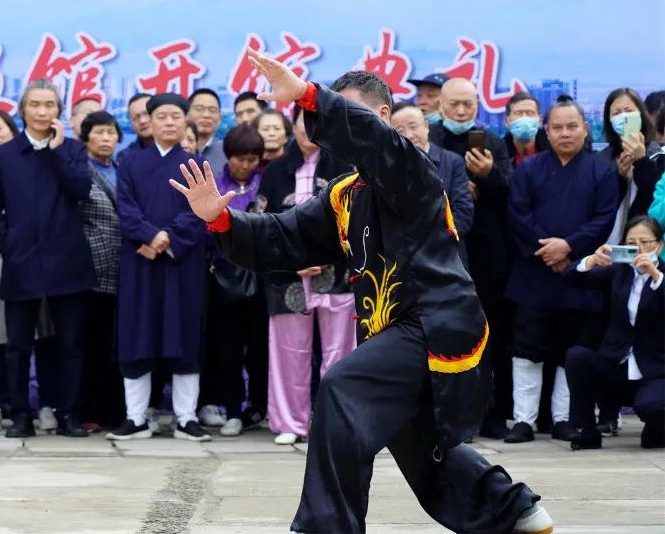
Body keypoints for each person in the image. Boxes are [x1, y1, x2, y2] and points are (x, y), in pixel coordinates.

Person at [173, 56, 549, 534]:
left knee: (341, 390)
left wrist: (308, 94)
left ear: (384, 118)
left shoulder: (413, 167)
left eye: (349, 116)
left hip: (433, 320)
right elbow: (285, 237)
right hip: (393, 332)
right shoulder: (342, 193)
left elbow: (373, 141)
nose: (338, 128)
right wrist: (221, 220)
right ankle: (514, 510)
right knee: (419, 446)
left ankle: (326, 528)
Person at [0, 79, 97, 439]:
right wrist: (9, 243)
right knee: (17, 345)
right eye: (36, 104)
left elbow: (81, 190)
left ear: (59, 111)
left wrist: (59, 150)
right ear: (23, 110)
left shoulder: (74, 150)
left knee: (70, 344)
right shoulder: (4, 155)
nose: (43, 111)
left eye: (50, 105)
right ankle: (19, 414)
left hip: (68, 259)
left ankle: (69, 414)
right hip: (22, 261)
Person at [505, 97, 618, 444]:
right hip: (534, 272)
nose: (565, 133)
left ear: (586, 129)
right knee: (527, 348)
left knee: (572, 350)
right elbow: (518, 215)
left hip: (580, 272)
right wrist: (549, 250)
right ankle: (523, 420)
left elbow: (604, 218)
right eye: (558, 127)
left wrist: (568, 247)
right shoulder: (528, 169)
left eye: (573, 126)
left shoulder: (602, 171)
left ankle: (564, 419)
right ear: (547, 131)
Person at [106, 93, 210, 443]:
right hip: (140, 261)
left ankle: (185, 418)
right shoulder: (130, 162)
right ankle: (136, 419)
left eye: (175, 116)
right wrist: (150, 237)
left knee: (184, 337)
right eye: (161, 116)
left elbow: (201, 213)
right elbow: (125, 209)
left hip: (183, 263)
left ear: (185, 122)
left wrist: (167, 240)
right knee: (137, 334)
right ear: (148, 122)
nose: (169, 122)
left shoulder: (196, 165)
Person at [256, 104, 356, 446]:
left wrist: (326, 256)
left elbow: (354, 222)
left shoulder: (346, 168)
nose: (310, 128)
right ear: (292, 126)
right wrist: (290, 261)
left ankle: (337, 422)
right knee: (288, 351)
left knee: (340, 353)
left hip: (337, 273)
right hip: (288, 276)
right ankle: (289, 421)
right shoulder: (275, 170)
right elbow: (264, 224)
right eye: (303, 121)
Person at [429, 77, 515, 439]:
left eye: (469, 104)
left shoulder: (491, 142)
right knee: (447, 337)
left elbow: (511, 192)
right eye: (454, 104)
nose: (462, 111)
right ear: (440, 106)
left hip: (488, 253)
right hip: (443, 254)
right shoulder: (430, 140)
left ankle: (493, 413)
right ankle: (445, 414)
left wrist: (489, 176)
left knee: (491, 335)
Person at [566, 216, 663, 450]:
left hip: (654, 369)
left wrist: (655, 275)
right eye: (631, 242)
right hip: (617, 362)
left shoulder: (662, 276)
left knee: (654, 408)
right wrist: (591, 260)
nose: (638, 248)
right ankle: (586, 430)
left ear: (659, 245)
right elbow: (572, 278)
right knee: (578, 357)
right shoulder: (619, 272)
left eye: (645, 242)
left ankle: (658, 427)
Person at [208, 124, 269, 436]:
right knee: (228, 349)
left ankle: (258, 406)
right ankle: (232, 409)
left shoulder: (265, 183)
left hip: (262, 280)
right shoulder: (216, 186)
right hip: (225, 280)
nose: (245, 165)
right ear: (228, 157)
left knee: (261, 349)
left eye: (252, 159)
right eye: (239, 159)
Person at [78, 111, 126, 430]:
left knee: (116, 345)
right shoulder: (79, 171)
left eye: (111, 132)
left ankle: (114, 412)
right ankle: (88, 412)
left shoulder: (124, 170)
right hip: (90, 268)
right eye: (99, 132)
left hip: (124, 268)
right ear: (87, 138)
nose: (106, 138)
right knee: (89, 345)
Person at [390, 104, 474, 266]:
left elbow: (463, 214)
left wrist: (428, 238)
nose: (409, 135)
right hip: (406, 262)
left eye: (413, 126)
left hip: (448, 258)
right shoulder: (389, 168)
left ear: (426, 127)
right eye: (400, 131)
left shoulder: (452, 162)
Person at [597, 88, 665, 244]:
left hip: (647, 241)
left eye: (628, 110)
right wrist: (620, 175)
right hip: (609, 240)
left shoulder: (658, 154)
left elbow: (654, 195)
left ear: (641, 114)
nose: (623, 116)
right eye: (616, 113)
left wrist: (641, 160)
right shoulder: (601, 159)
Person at [503, 93, 549, 169]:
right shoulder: (499, 153)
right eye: (518, 113)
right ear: (506, 121)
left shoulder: (553, 150)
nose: (524, 118)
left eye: (530, 113)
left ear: (539, 120)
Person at [188, 88, 228, 175]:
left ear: (220, 117)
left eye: (212, 110)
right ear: (187, 113)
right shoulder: (176, 149)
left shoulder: (228, 151)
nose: (206, 115)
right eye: (199, 109)